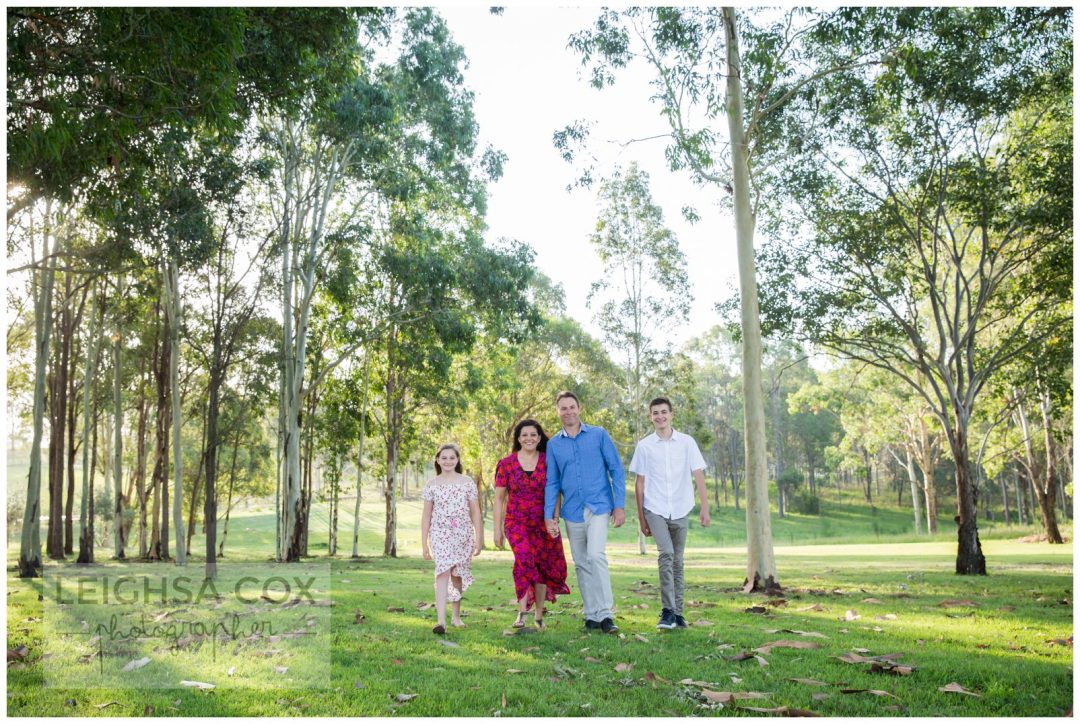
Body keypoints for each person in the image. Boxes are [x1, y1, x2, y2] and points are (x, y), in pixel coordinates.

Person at [543, 391, 626, 634]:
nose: (568, 411)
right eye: (563, 408)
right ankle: (591, 614)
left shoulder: (599, 435)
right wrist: (550, 516)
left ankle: (607, 614)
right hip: (572, 511)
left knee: (595, 555)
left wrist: (619, 505)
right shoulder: (554, 445)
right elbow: (552, 482)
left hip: (599, 505)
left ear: (579, 408)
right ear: (558, 412)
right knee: (581, 562)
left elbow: (616, 469)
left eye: (571, 407)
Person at [629, 396, 711, 630]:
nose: (660, 416)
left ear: (671, 414)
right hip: (655, 508)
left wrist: (705, 508)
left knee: (678, 561)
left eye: (664, 412)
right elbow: (639, 484)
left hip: (681, 507)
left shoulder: (687, 442)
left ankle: (678, 614)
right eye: (655, 413)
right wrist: (642, 518)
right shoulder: (644, 446)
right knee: (666, 555)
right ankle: (666, 611)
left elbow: (699, 476)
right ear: (650, 416)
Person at [493, 419, 570, 630]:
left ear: (539, 438)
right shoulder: (506, 463)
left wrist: (554, 519)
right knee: (524, 560)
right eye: (524, 435)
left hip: (542, 522)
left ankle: (538, 616)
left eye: (533, 435)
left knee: (542, 567)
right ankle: (522, 612)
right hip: (516, 522)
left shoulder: (548, 461)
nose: (529, 438)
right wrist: (497, 530)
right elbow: (499, 499)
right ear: (518, 438)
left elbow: (555, 493)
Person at [421, 444, 482, 635]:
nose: (448, 461)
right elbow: (426, 517)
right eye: (444, 458)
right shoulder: (431, 485)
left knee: (457, 574)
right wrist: (424, 544)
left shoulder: (467, 482)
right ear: (438, 460)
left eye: (452, 458)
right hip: (440, 534)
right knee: (442, 572)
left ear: (457, 460)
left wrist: (479, 538)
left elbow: (475, 512)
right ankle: (441, 621)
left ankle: (456, 616)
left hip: (462, 533)